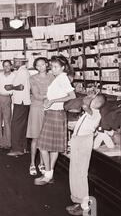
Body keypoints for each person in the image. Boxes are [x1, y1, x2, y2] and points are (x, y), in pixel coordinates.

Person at [35, 55, 76, 186]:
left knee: (42, 146)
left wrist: (52, 100)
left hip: (55, 115)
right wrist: (49, 99)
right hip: (54, 113)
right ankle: (49, 175)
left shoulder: (62, 78)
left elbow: (72, 96)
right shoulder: (58, 78)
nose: (53, 69)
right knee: (53, 147)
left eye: (56, 67)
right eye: (52, 66)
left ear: (63, 67)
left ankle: (47, 173)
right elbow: (58, 94)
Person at [67, 93, 106, 216]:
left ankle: (84, 206)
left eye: (93, 99)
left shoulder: (95, 114)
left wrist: (88, 98)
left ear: (97, 103)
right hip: (78, 140)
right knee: (74, 172)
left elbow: (84, 105)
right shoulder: (91, 112)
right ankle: (78, 200)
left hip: (84, 142)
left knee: (81, 173)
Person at [26, 57, 54, 175]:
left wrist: (50, 96)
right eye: (38, 65)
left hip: (49, 108)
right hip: (37, 108)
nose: (41, 67)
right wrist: (51, 96)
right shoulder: (32, 78)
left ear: (47, 65)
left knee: (45, 138)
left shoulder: (52, 77)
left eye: (43, 64)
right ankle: (32, 163)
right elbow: (37, 96)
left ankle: (42, 163)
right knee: (36, 137)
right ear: (35, 67)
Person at [7, 55, 31, 157]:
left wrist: (10, 87)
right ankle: (23, 147)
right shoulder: (23, 71)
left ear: (20, 62)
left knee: (16, 126)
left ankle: (17, 149)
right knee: (22, 126)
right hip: (23, 102)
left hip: (20, 102)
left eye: (15, 61)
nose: (13, 63)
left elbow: (20, 87)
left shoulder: (22, 71)